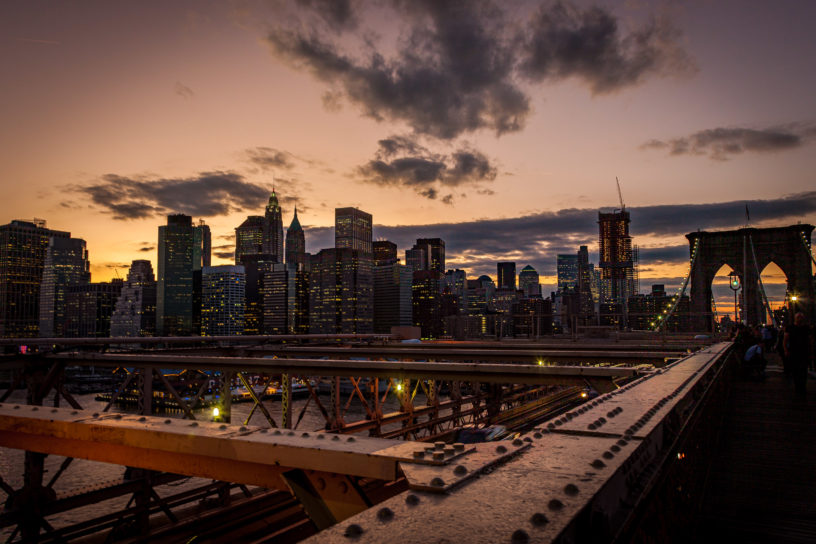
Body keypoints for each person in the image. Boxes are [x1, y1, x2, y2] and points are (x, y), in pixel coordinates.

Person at [784, 313, 813, 396]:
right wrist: (786, 350)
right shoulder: (790, 328)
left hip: (804, 352)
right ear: (795, 318)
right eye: (798, 317)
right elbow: (785, 340)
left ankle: (802, 386)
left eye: (801, 317)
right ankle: (798, 386)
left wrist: (811, 352)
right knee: (795, 370)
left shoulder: (806, 328)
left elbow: (810, 340)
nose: (799, 319)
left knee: (803, 370)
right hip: (794, 352)